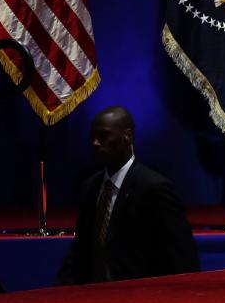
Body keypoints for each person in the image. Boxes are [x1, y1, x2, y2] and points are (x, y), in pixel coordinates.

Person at [58, 106, 199, 284]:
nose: (95, 143)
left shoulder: (153, 188)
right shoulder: (90, 187)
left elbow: (182, 259)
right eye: (93, 137)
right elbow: (80, 252)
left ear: (127, 136)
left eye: (103, 136)